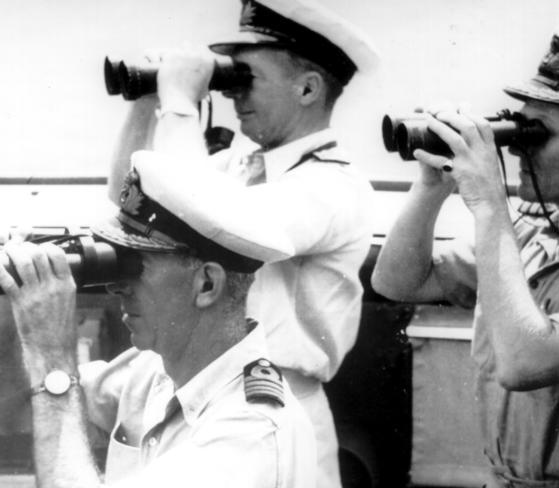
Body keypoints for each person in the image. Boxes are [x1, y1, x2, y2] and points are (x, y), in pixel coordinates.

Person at [107, 1, 379, 486]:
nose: (234, 95)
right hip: (201, 393)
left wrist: (182, 104)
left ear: (309, 88)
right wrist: (148, 102)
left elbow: (198, 220)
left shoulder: (334, 188)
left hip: (273, 412)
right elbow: (137, 204)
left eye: (247, 79)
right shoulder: (236, 168)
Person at [372, 19, 559, 488]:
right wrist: (431, 186)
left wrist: (487, 202)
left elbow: (526, 363)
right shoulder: (529, 232)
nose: (519, 149)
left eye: (535, 135)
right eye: (515, 130)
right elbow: (398, 281)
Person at [0, 161, 315, 488]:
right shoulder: (157, 371)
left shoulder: (249, 433)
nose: (116, 286)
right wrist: (10, 303)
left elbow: (53, 397)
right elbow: (17, 410)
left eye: (134, 264)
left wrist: (51, 354)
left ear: (206, 284)